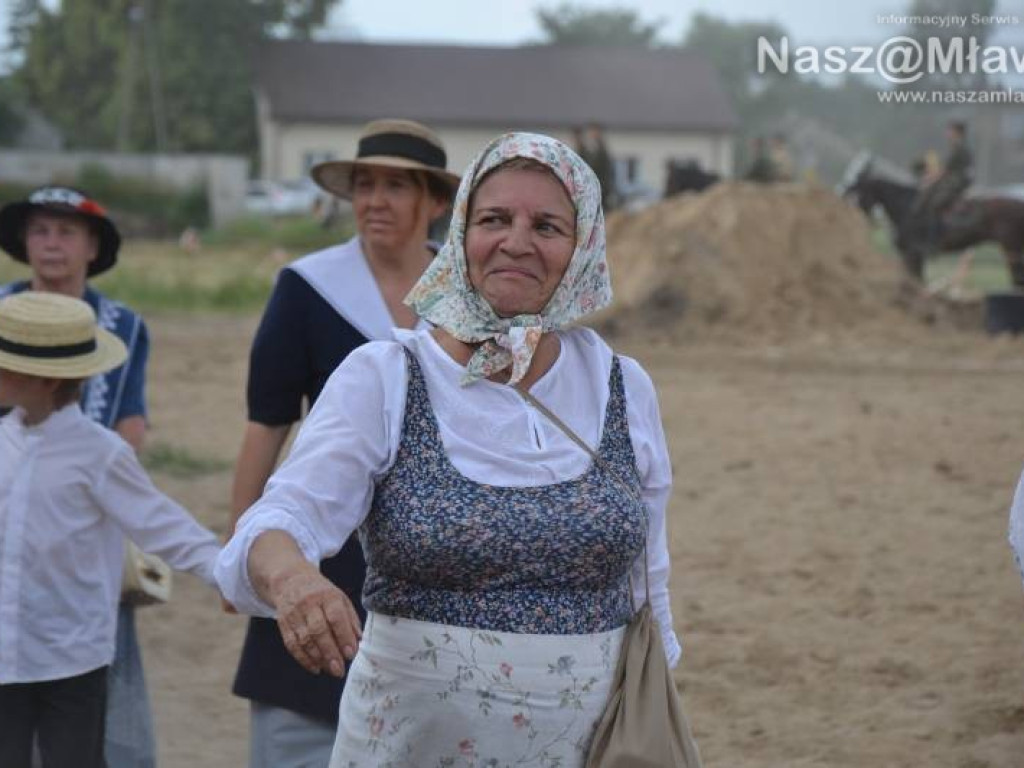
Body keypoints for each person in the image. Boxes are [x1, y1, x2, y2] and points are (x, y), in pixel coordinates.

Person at [217, 132, 682, 767]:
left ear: (583, 250)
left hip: (587, 750)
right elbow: (283, 517)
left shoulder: (623, 386)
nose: (517, 241)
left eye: (547, 225)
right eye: (494, 219)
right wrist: (294, 577)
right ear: (461, 234)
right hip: (411, 747)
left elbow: (648, 586)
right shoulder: (386, 374)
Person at [226, 118, 458, 768]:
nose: (374, 201)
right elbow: (266, 421)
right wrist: (242, 543)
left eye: (394, 186)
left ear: (434, 202)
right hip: (325, 538)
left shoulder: (466, 296)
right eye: (364, 184)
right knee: (304, 709)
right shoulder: (305, 289)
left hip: (432, 549)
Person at [0, 291, 221, 768]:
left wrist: (232, 571)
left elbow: (161, 523)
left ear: (44, 379)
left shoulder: (99, 453)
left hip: (71, 654)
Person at [0, 185, 156, 768]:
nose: (52, 243)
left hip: (82, 519)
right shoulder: (2, 310)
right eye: (40, 230)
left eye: (67, 232)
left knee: (91, 664)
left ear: (93, 246)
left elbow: (131, 419)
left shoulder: (125, 326)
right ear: (23, 242)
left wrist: (93, 472)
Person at [575, 122, 616, 211]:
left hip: (601, 189)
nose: (591, 134)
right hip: (593, 189)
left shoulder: (601, 151)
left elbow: (603, 170)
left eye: (593, 131)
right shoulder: (592, 150)